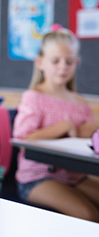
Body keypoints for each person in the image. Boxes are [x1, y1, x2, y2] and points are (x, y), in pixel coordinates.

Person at [13, 26, 99, 222]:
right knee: (88, 215)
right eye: (56, 61)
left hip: (74, 176)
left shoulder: (81, 102)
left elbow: (84, 138)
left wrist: (89, 130)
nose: (63, 67)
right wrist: (63, 126)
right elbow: (21, 137)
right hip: (36, 178)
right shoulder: (34, 97)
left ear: (76, 63)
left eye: (69, 62)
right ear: (40, 62)